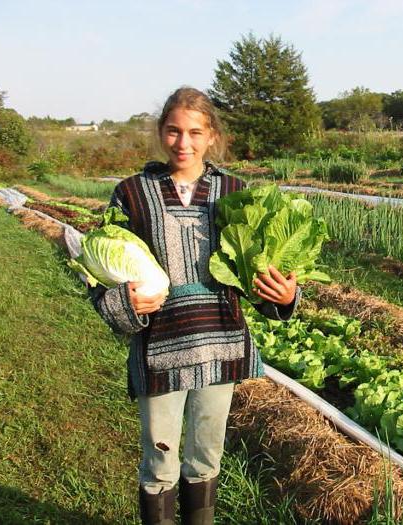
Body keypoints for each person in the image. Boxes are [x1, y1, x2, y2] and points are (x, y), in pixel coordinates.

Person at [88, 86, 299, 525]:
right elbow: (98, 276)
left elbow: (262, 271)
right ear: (161, 133)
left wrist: (286, 297)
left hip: (221, 345)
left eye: (195, 132)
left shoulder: (236, 192)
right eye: (173, 131)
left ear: (211, 136)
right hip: (160, 346)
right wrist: (121, 302)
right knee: (159, 461)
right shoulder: (132, 193)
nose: (183, 143)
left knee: (206, 456)